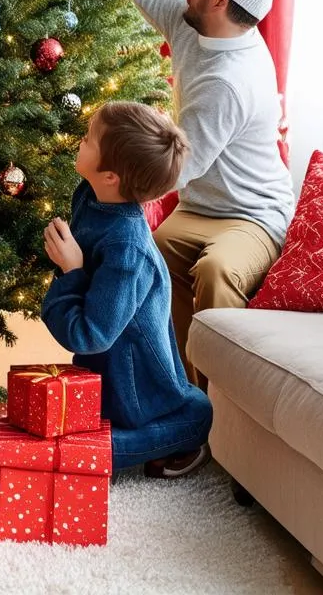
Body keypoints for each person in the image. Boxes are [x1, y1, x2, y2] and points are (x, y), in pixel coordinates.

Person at [67, 0, 294, 384]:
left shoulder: (231, 82)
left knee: (215, 272)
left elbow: (178, 170)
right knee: (151, 260)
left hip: (251, 216)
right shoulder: (193, 21)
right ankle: (168, 390)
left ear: (219, 1)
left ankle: (218, 404)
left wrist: (108, 178)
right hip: (199, 208)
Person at [41, 101, 212, 477]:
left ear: (111, 177)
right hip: (104, 369)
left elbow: (92, 335)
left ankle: (184, 432)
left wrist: (71, 271)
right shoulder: (91, 195)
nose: (80, 141)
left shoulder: (126, 248)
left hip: (132, 387)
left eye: (87, 139)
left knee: (194, 414)